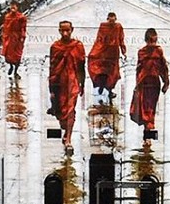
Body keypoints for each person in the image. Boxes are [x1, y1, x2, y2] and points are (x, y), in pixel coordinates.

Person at [47, 20, 87, 148]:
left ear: (72, 30)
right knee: (61, 111)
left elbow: (82, 66)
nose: (65, 33)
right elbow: (52, 67)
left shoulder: (78, 46)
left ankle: (69, 138)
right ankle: (65, 130)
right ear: (59, 31)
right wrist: (51, 89)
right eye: (62, 31)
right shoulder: (55, 47)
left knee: (70, 110)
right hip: (59, 82)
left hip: (72, 80)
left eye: (67, 30)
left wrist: (82, 84)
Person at [128, 27, 169, 134]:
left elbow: (139, 70)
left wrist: (137, 84)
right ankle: (149, 135)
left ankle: (148, 135)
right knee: (151, 109)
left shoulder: (141, 52)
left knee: (145, 109)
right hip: (153, 82)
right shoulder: (158, 51)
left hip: (144, 82)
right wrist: (166, 82)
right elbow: (163, 68)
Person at [88, 12, 126, 100]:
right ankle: (102, 87)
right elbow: (99, 39)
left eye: (113, 21)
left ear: (115, 19)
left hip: (113, 53)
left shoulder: (118, 27)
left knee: (113, 73)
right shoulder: (103, 26)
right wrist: (96, 50)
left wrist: (123, 51)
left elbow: (121, 39)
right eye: (110, 20)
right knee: (102, 70)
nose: (112, 22)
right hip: (105, 51)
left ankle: (109, 90)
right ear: (107, 19)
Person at [0, 3, 28, 77]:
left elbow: (23, 28)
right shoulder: (7, 17)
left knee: (17, 55)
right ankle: (11, 66)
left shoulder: (21, 17)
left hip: (17, 38)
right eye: (11, 7)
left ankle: (15, 71)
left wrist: (22, 36)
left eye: (14, 7)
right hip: (9, 38)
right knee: (8, 55)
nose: (13, 9)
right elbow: (5, 27)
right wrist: (4, 37)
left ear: (17, 8)